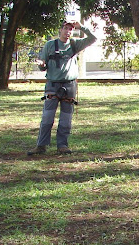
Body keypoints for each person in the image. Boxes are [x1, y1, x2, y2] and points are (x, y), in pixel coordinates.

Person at [27, 21, 96, 155]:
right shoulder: (50, 45)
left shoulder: (75, 44)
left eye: (70, 29)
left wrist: (81, 27)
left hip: (69, 85)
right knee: (47, 117)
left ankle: (62, 145)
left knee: (66, 118)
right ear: (60, 30)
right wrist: (41, 64)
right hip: (52, 85)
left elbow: (93, 38)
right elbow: (43, 64)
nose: (68, 31)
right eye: (65, 28)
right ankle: (41, 146)